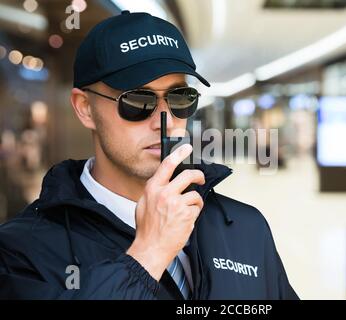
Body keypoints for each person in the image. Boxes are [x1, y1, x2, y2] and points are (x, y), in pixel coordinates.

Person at [0, 11, 298, 300]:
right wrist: (148, 253)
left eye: (180, 98)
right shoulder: (21, 251)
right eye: (138, 101)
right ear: (85, 108)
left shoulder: (245, 226)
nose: (163, 120)